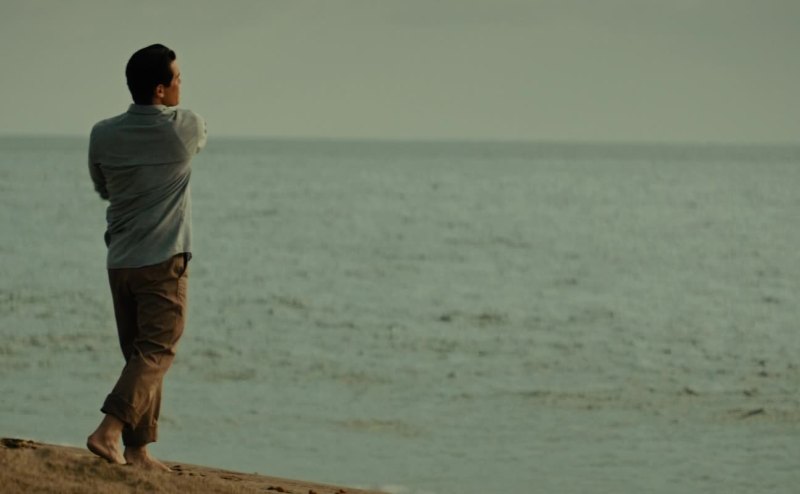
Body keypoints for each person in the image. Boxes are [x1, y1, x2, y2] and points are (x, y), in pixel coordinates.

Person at [86, 43, 206, 471]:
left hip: (120, 260)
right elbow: (198, 136)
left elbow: (103, 186)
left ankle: (137, 450)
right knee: (157, 350)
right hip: (162, 261)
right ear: (160, 89)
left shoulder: (102, 133)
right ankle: (108, 431)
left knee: (140, 356)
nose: (181, 84)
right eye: (177, 78)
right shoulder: (183, 128)